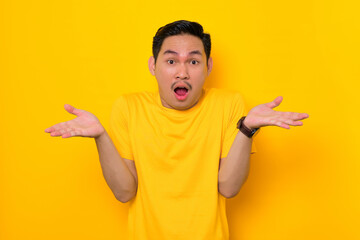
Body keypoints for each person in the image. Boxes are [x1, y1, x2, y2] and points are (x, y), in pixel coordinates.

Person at [45, 20, 309, 240]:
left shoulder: (228, 104)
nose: (182, 72)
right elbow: (124, 192)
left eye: (193, 62)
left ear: (208, 67)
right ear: (153, 66)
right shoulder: (128, 107)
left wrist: (247, 129)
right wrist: (101, 137)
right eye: (171, 61)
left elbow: (229, 188)